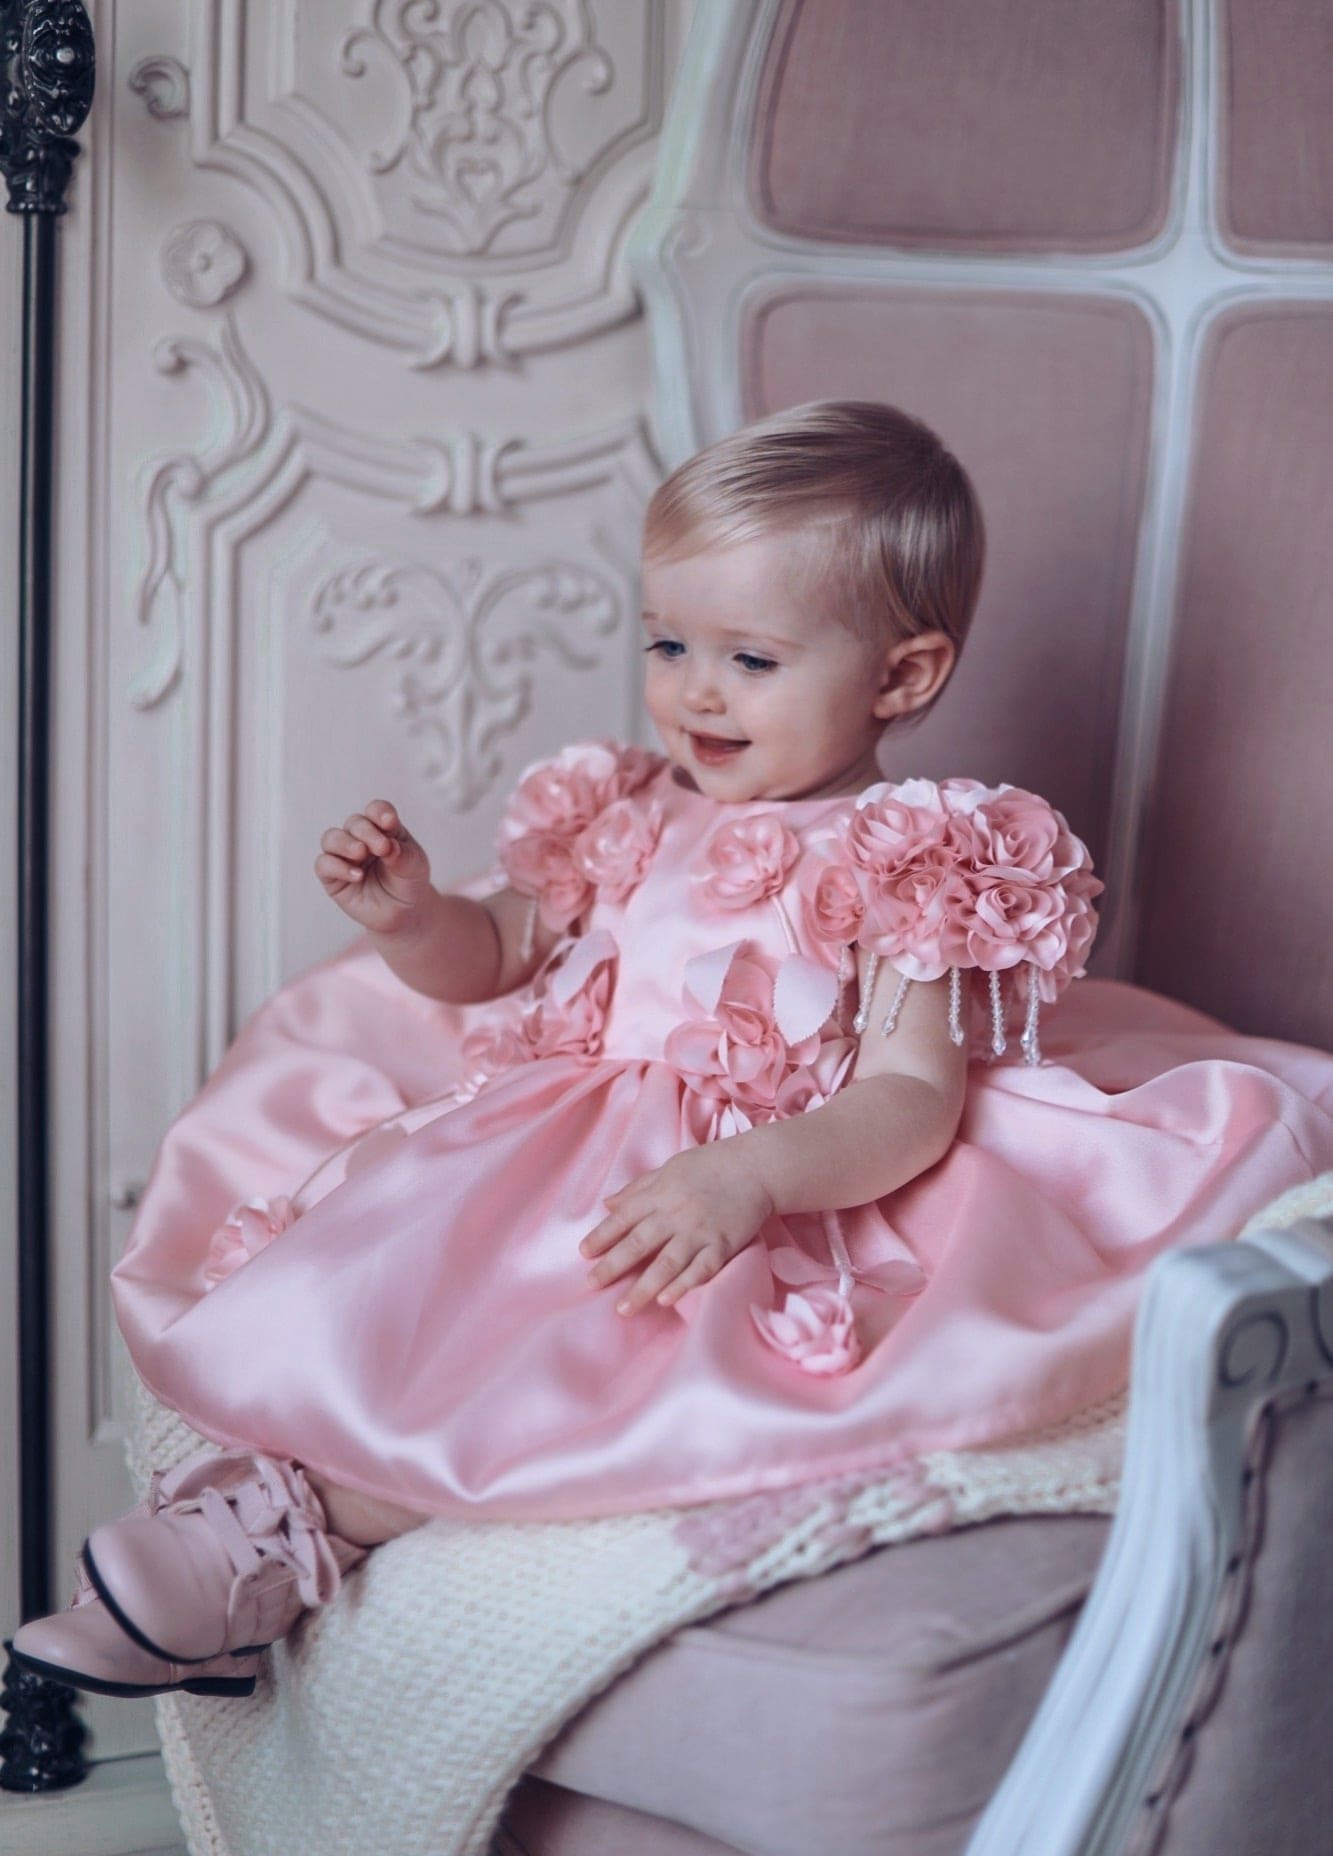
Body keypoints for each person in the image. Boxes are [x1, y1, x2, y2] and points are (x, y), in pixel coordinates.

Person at [12, 401, 1333, 1702]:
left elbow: (909, 1097)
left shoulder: (908, 856)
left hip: (731, 1170)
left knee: (548, 1346)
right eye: (667, 641)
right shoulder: (629, 811)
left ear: (900, 675)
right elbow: (499, 956)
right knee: (374, 1279)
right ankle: (252, 1494)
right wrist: (416, 914)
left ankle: (282, 1544)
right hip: (543, 1140)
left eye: (750, 660)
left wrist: (749, 1178)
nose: (694, 690)